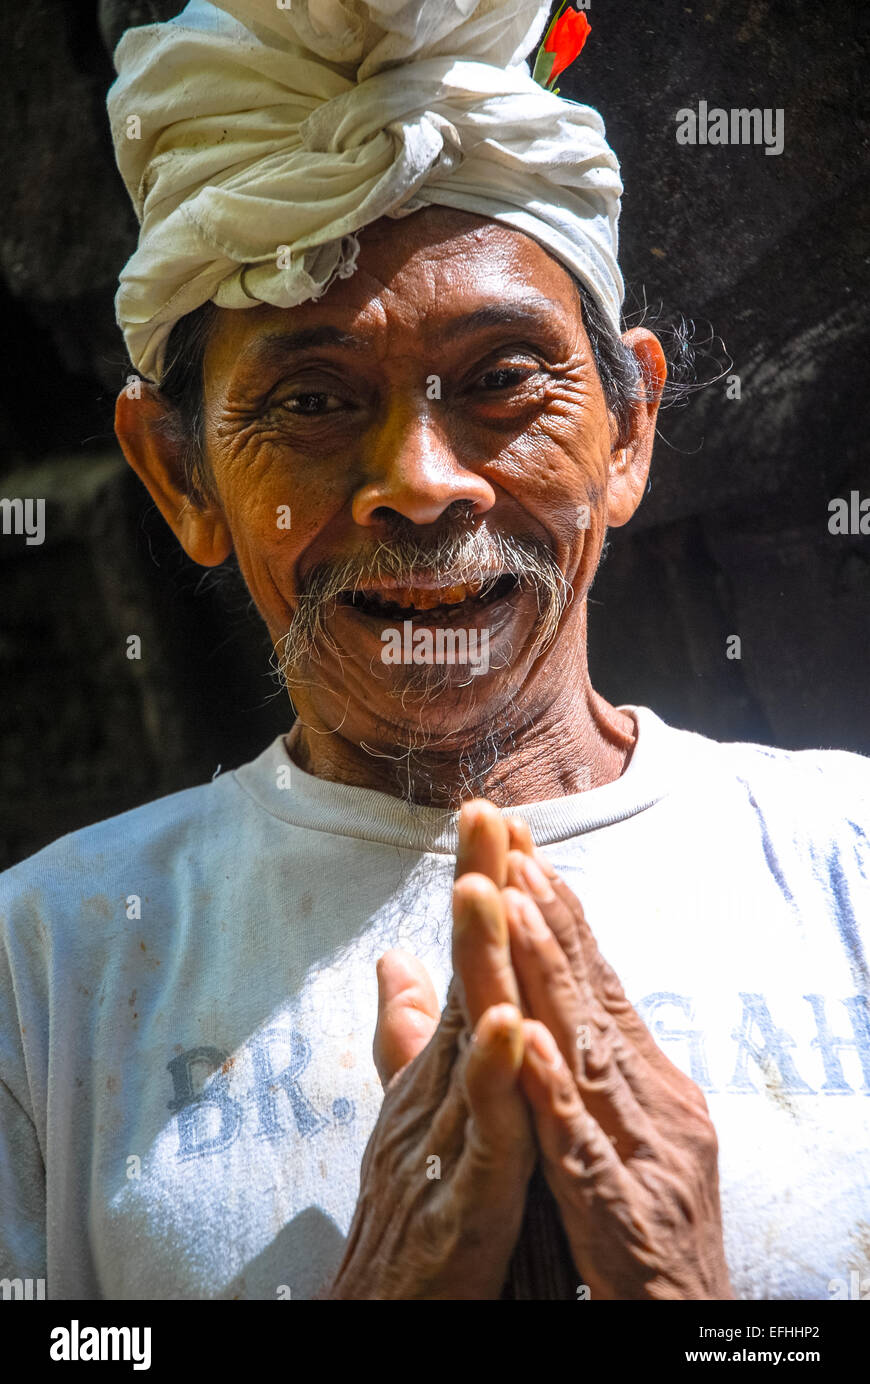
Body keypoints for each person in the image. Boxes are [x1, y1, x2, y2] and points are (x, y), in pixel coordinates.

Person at [0, 0, 867, 1301]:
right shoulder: (39, 975)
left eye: (503, 374)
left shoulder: (849, 870)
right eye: (310, 399)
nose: (419, 481)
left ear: (627, 432)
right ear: (178, 477)